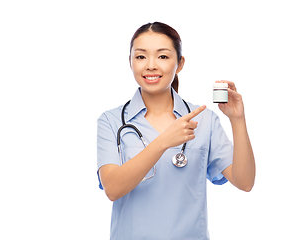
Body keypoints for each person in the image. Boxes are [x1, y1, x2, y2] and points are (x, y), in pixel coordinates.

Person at [97, 22, 255, 240]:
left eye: (162, 56)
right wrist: (163, 142)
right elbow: (112, 189)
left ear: (180, 64)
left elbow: (245, 182)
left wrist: (237, 120)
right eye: (141, 57)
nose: (151, 65)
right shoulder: (111, 121)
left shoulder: (204, 120)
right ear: (130, 62)